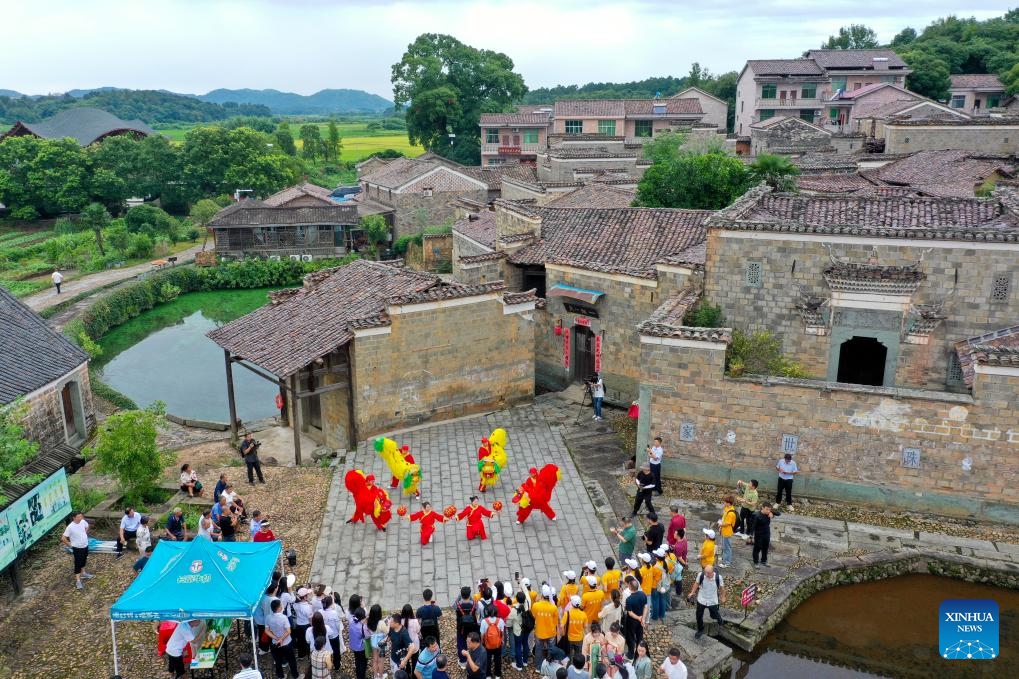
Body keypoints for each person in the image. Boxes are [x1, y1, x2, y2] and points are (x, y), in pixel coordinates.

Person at [687, 565, 725, 640]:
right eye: (705, 572)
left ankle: (720, 621)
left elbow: (721, 588)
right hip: (701, 599)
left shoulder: (718, 578)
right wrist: (692, 592)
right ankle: (700, 630)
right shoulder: (701, 575)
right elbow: (696, 583)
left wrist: (723, 596)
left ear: (713, 572)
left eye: (708, 573)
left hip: (712, 600)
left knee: (714, 614)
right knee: (699, 615)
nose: (706, 574)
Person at [266, 599, 299, 679]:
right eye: (281, 605)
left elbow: (266, 630)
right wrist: (281, 639)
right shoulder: (284, 617)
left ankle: (280, 676)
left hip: (275, 643)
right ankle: (295, 675)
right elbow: (288, 631)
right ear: (279, 607)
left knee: (278, 661)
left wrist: (276, 638)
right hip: (286, 643)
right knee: (291, 660)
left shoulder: (268, 617)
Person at [61, 511, 91, 590]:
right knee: (78, 563)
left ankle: (84, 573)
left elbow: (87, 526)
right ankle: (78, 581)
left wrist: (85, 533)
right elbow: (63, 538)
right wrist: (70, 545)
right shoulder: (70, 527)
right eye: (78, 517)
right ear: (74, 518)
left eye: (81, 516)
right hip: (77, 548)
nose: (80, 518)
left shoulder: (83, 522)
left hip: (85, 545)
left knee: (84, 560)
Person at [532, 584, 559, 667]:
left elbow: (534, 616)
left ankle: (538, 666)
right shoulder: (554, 607)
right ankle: (551, 665)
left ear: (542, 595)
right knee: (551, 649)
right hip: (551, 632)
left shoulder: (536, 605)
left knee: (538, 649)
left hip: (539, 632)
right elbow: (556, 621)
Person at [621, 578, 647, 660]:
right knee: (639, 636)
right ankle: (639, 652)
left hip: (632, 621)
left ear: (629, 587)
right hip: (640, 619)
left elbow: (630, 613)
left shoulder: (629, 599)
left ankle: (631, 654)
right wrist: (643, 618)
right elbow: (646, 606)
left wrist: (639, 618)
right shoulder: (643, 594)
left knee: (631, 637)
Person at [454, 586, 478, 665]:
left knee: (461, 643)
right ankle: (475, 658)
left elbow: (453, 606)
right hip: (472, 627)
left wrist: (459, 596)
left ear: (461, 594)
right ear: (469, 594)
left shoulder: (457, 604)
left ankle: (463, 661)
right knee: (473, 640)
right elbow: (476, 611)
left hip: (461, 628)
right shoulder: (474, 603)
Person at [480, 604, 505, 679]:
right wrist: (502, 640)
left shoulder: (484, 621)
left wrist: (482, 643)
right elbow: (502, 633)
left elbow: (482, 634)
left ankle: (488, 675)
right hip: (497, 644)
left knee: (487, 659)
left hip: (487, 645)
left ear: (487, 612)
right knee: (498, 659)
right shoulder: (500, 621)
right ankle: (497, 674)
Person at [390, 612, 418, 676]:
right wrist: (385, 641)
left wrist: (405, 661)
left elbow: (413, 647)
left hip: (400, 661)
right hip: (393, 657)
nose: (389, 623)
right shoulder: (392, 628)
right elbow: (390, 636)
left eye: (391, 622)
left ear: (397, 624)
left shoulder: (403, 633)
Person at [293, 587, 315, 659]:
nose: (309, 595)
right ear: (305, 597)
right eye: (308, 595)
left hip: (298, 624)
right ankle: (308, 654)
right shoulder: (307, 608)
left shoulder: (296, 605)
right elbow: (310, 619)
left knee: (300, 640)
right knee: (307, 640)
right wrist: (312, 626)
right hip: (306, 625)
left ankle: (301, 655)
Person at [349, 607, 369, 679]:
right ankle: (361, 676)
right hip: (361, 648)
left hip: (354, 646)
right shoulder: (363, 627)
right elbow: (367, 637)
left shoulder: (352, 622)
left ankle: (358, 675)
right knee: (363, 663)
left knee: (357, 661)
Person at [718, 496, 737, 569]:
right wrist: (721, 527)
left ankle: (727, 562)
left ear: (728, 503)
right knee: (724, 546)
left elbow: (727, 523)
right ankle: (724, 558)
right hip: (724, 530)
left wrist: (720, 524)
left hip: (727, 532)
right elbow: (724, 518)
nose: (724, 503)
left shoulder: (731, 513)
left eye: (725, 502)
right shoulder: (727, 508)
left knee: (727, 547)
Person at [752, 502, 774, 567]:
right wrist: (751, 535)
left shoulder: (769, 513)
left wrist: (771, 513)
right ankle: (755, 562)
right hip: (759, 535)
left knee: (765, 548)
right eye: (767, 509)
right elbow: (753, 526)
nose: (768, 511)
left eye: (769, 509)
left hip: (767, 534)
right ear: (762, 508)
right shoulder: (756, 515)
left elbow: (779, 513)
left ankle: (763, 560)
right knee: (757, 548)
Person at [671, 530, 688, 597]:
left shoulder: (678, 546)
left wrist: (685, 564)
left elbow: (679, 558)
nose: (674, 534)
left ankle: (678, 592)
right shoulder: (684, 540)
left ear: (678, 535)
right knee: (679, 576)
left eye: (675, 533)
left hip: (679, 563)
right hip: (684, 559)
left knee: (678, 578)